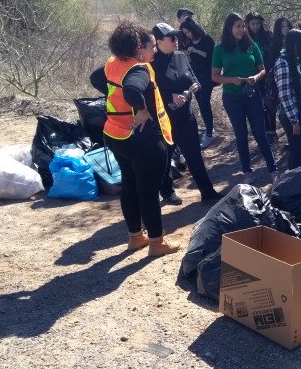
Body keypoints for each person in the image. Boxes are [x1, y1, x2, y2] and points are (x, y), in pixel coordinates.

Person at [89, 20, 179, 256]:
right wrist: (140, 109)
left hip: (115, 135)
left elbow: (96, 79)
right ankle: (157, 242)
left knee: (130, 186)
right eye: (152, 47)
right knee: (148, 192)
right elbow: (131, 90)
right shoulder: (139, 69)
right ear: (140, 49)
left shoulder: (113, 63)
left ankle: (136, 237)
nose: (155, 51)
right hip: (141, 140)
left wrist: (115, 94)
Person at [151, 22, 222, 204]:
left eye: (177, 36)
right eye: (172, 38)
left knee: (194, 156)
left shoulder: (180, 56)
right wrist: (170, 96)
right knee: (164, 159)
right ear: (158, 41)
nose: (176, 40)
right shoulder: (150, 63)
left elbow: (192, 76)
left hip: (186, 117)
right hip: (165, 120)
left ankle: (207, 192)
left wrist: (196, 85)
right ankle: (167, 192)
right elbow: (149, 91)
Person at [211, 12, 278, 184]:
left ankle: (273, 170)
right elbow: (215, 76)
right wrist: (231, 80)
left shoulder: (251, 45)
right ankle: (247, 171)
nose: (241, 30)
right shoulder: (220, 48)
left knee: (260, 133)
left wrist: (255, 78)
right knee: (241, 134)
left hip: (252, 94)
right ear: (229, 28)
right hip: (232, 98)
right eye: (237, 26)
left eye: (243, 26)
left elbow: (262, 69)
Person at [273, 29, 301, 169]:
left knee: (299, 149)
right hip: (291, 116)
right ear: (296, 43)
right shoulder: (283, 63)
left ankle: (295, 181)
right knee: (296, 151)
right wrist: (294, 121)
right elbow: (284, 94)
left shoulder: (299, 60)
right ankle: (292, 184)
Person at [179, 15, 217, 149]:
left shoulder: (206, 39)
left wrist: (196, 50)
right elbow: (190, 63)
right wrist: (188, 56)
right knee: (201, 103)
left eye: (188, 31)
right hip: (195, 76)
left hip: (208, 75)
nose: (188, 35)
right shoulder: (188, 42)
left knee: (204, 102)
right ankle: (210, 129)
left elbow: (211, 57)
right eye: (185, 33)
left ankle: (209, 134)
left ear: (193, 28)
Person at [264, 17, 293, 144]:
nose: (285, 29)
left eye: (287, 26)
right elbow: (271, 62)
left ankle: (293, 135)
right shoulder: (274, 43)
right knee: (280, 107)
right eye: (282, 26)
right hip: (279, 80)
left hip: (294, 79)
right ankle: (276, 133)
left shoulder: (294, 40)